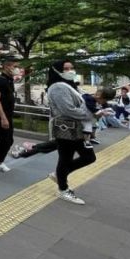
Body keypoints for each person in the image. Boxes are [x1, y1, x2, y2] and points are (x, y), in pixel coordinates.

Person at [47, 60, 96, 205]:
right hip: (66, 128)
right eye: (65, 68)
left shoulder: (68, 85)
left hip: (75, 127)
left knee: (86, 157)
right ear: (57, 71)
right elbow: (67, 109)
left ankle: (60, 175)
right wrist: (90, 114)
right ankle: (63, 188)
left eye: (71, 68)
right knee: (67, 158)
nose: (70, 71)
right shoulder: (57, 87)